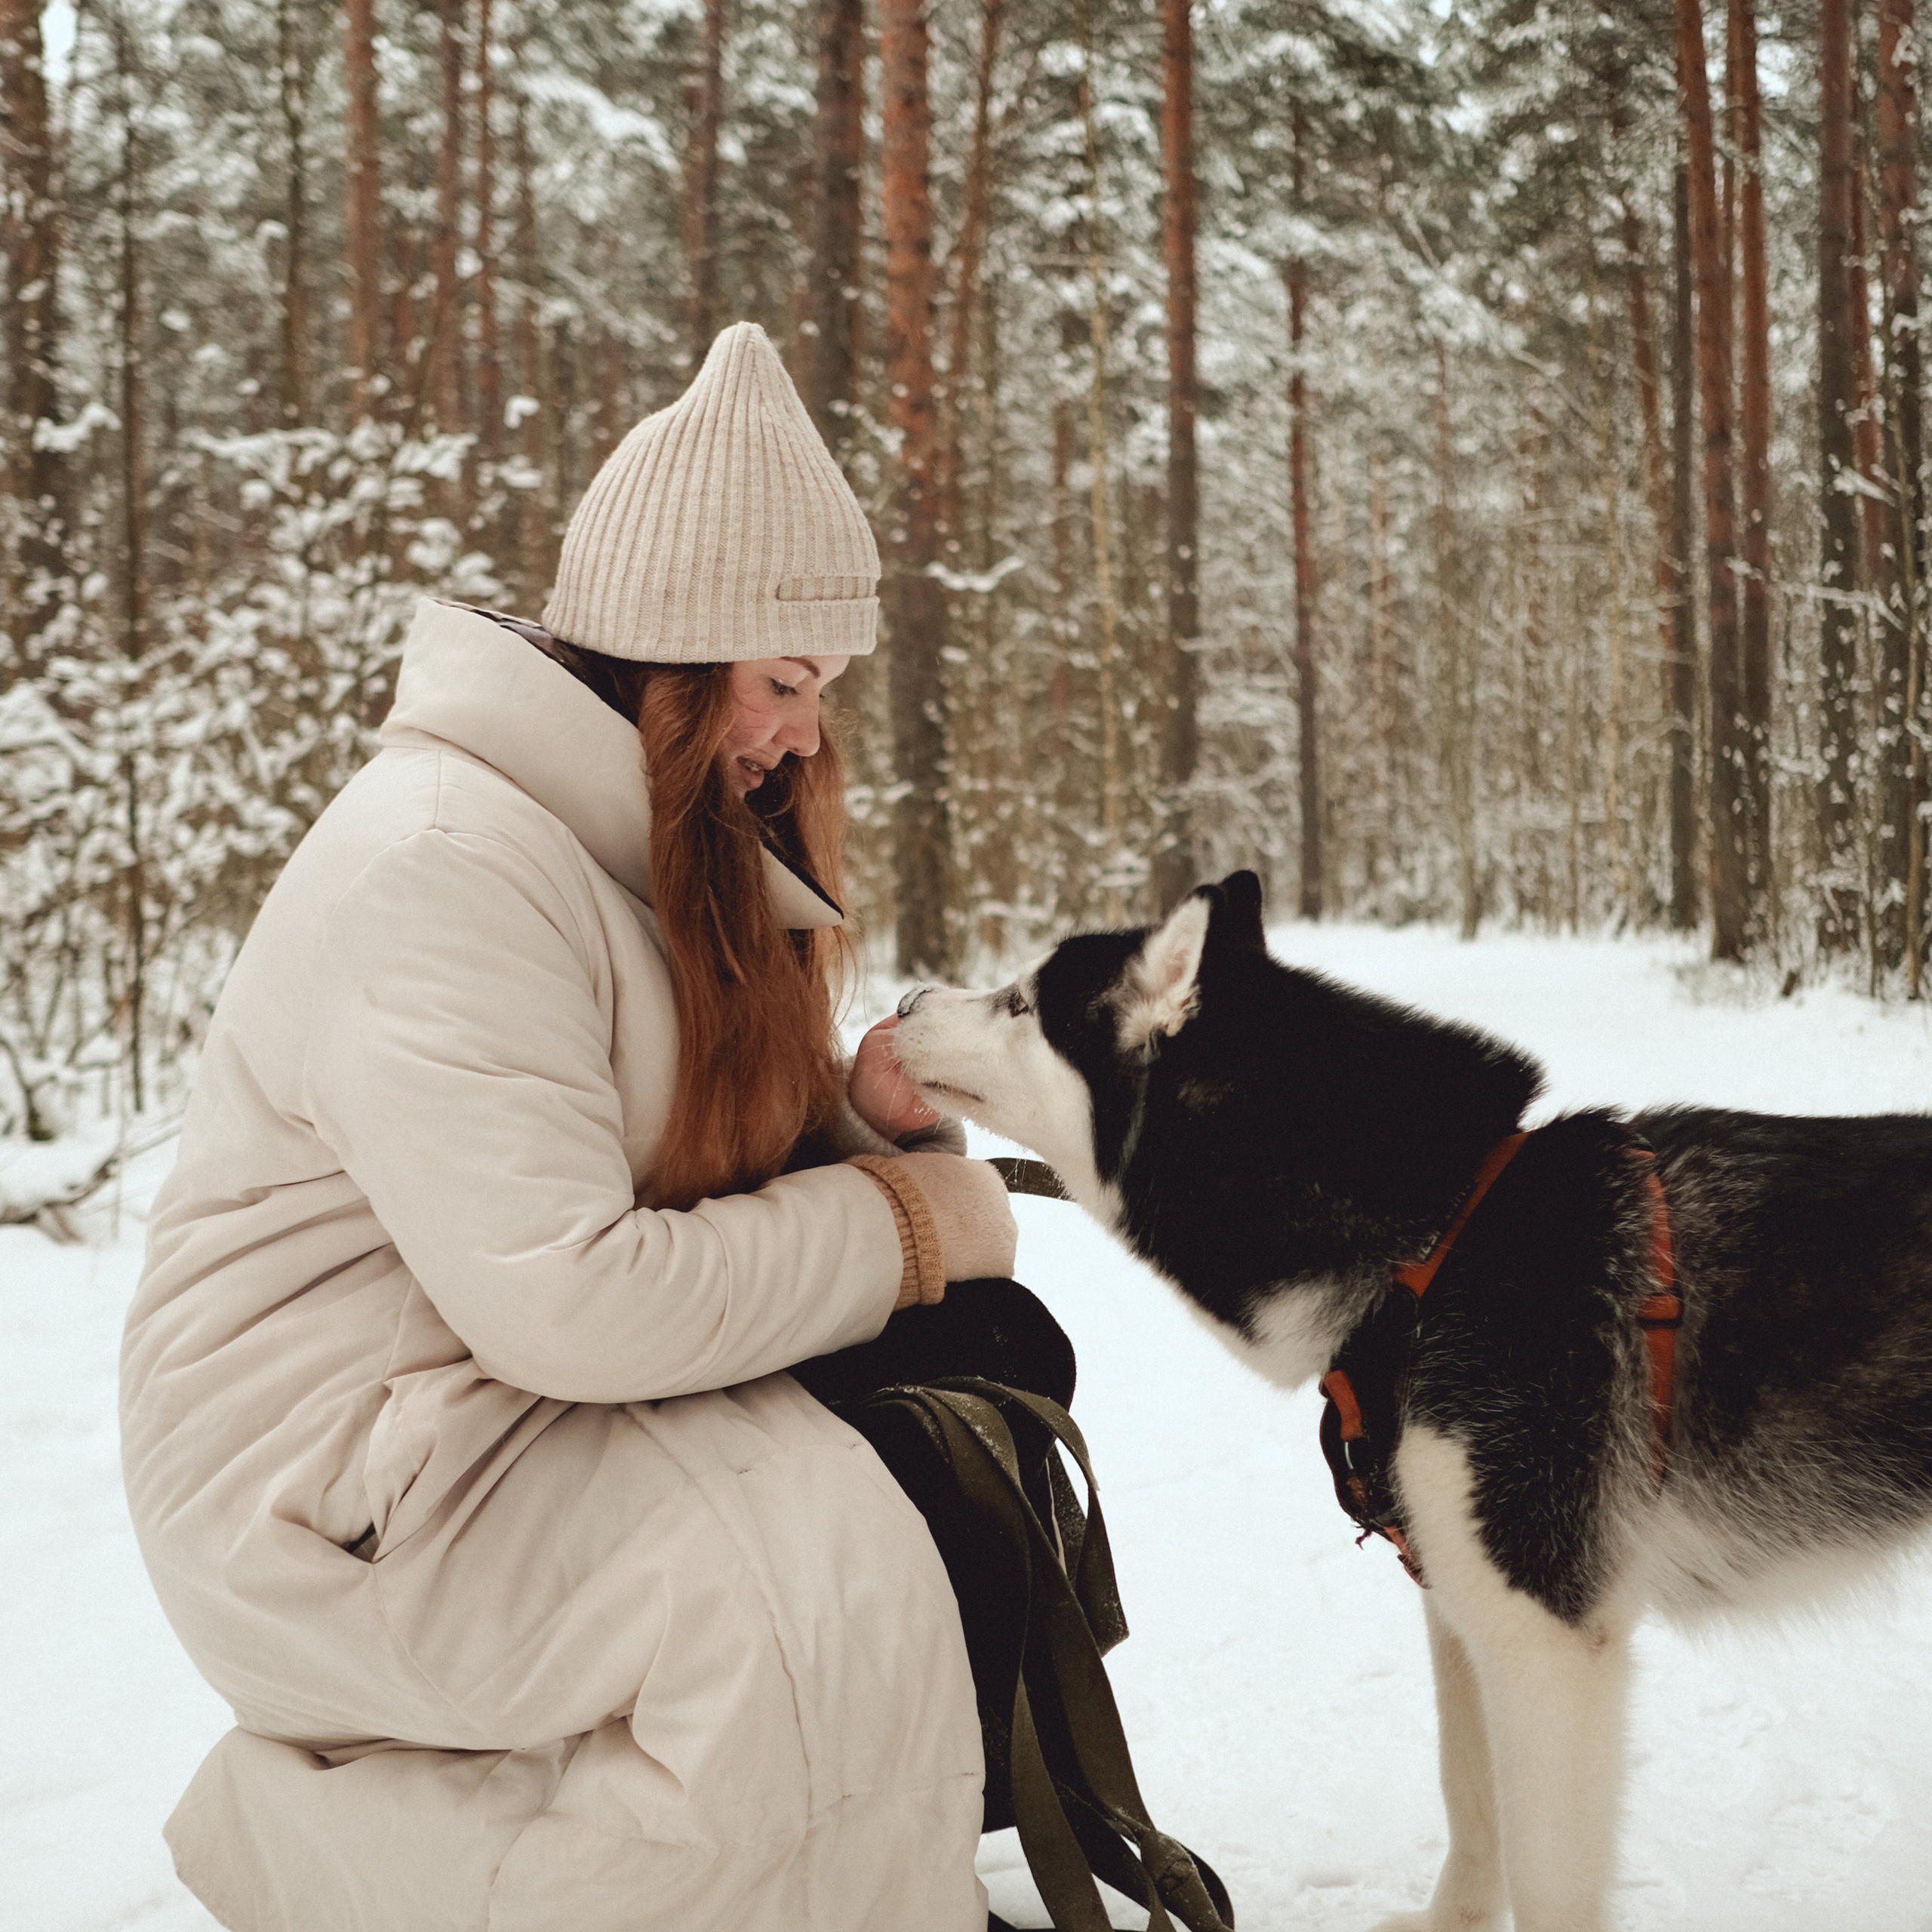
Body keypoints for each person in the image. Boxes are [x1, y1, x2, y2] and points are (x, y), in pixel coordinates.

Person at [120, 322, 1025, 1932]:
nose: (807, 736)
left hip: (474, 1416)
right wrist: (894, 1228)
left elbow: (674, 1193)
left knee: (956, 1430)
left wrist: (873, 1138)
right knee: (791, 1606)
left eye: (821, 691)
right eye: (784, 682)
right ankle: (305, 1839)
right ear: (667, 662)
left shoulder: (629, 853)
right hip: (316, 1477)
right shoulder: (445, 864)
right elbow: (574, 1291)